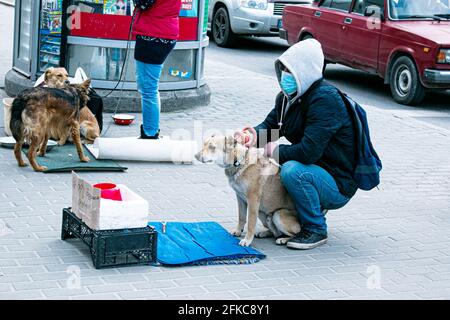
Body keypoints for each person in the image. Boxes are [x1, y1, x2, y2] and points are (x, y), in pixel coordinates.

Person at [236, 39, 358, 250]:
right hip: (315, 170)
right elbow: (273, 126)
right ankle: (299, 214)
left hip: (338, 180)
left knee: (292, 171)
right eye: (282, 68)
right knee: (288, 168)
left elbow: (308, 152)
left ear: (305, 72)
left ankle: (315, 228)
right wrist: (252, 136)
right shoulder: (286, 98)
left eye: (290, 70)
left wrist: (274, 152)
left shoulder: (326, 100)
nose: (284, 75)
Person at [132, 0, 181, 139]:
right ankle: (152, 129)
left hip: (153, 33)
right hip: (164, 31)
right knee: (151, 88)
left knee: (148, 89)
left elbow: (143, 3)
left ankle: (150, 132)